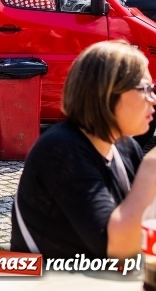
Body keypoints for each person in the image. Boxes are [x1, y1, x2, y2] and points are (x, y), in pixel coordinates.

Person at [11, 40, 156, 261]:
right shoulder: (61, 149)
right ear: (107, 93)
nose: (153, 99)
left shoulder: (124, 147)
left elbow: (143, 224)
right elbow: (114, 249)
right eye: (145, 89)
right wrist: (150, 171)